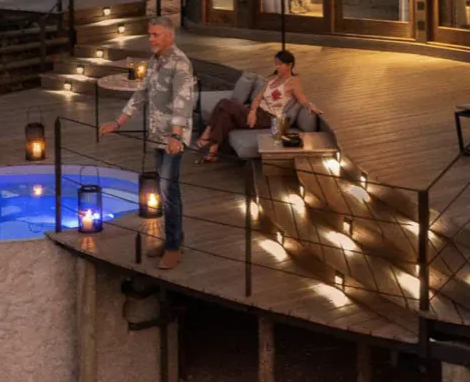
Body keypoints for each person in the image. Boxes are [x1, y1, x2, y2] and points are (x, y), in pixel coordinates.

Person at [101, 17, 194, 270]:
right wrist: (118, 122)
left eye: (156, 35)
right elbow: (140, 93)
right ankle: (172, 240)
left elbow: (182, 102)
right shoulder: (155, 61)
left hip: (173, 138)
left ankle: (174, 247)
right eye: (150, 34)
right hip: (157, 135)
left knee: (169, 191)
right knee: (165, 192)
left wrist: (176, 136)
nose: (151, 39)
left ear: (169, 36)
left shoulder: (180, 64)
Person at [195, 50, 322, 163]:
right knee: (225, 115)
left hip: (268, 117)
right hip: (257, 112)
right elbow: (258, 97)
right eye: (275, 64)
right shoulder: (272, 79)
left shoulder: (293, 82)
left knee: (224, 103)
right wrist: (252, 111)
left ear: (289, 65)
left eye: (280, 64)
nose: (277, 67)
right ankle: (213, 151)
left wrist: (310, 106)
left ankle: (206, 134)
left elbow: (302, 99)